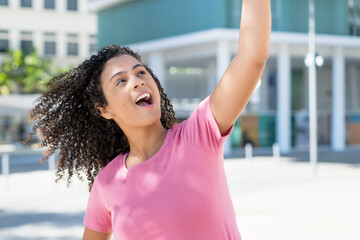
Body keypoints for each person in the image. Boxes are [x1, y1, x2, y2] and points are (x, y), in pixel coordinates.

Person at [26, 1, 271, 239]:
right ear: (104, 109)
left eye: (141, 72)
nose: (137, 80)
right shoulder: (107, 183)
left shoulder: (199, 134)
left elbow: (253, 56)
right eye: (121, 81)